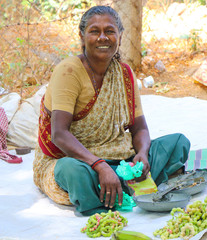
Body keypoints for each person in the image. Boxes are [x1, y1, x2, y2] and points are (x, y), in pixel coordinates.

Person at [33, 5, 190, 216]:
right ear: (82, 36)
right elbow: (59, 134)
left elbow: (139, 127)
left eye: (109, 31)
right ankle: (121, 187)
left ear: (120, 36)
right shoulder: (69, 71)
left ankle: (117, 185)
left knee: (178, 142)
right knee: (73, 172)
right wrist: (99, 165)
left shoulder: (124, 73)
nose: (102, 37)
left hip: (120, 157)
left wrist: (142, 155)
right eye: (94, 31)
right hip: (79, 161)